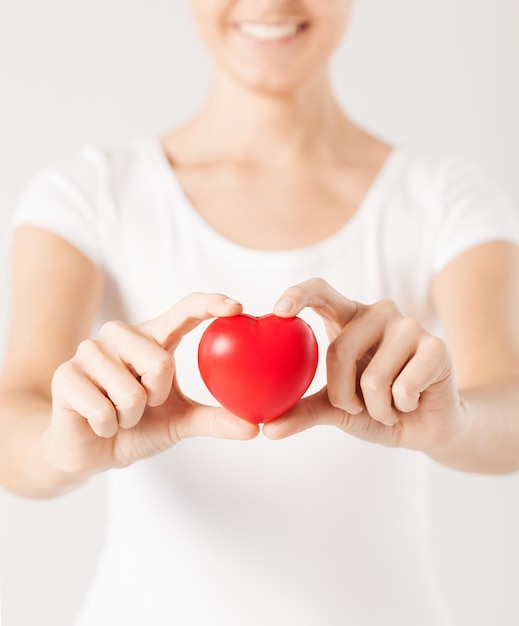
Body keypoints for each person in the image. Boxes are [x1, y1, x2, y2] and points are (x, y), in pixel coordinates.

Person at [1, 1, 519, 624]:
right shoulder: (88, 194)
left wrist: (456, 423)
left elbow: (507, 404)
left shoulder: (445, 200)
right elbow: (15, 417)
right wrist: (60, 446)